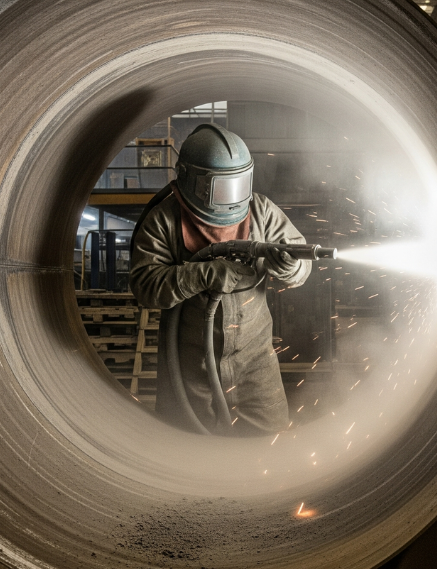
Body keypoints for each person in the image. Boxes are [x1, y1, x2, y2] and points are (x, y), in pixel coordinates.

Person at [129, 123, 310, 436]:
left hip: (256, 365)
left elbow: (300, 271)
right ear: (189, 177)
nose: (233, 197)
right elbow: (145, 286)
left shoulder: (262, 211)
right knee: (193, 455)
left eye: (239, 184)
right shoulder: (164, 220)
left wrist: (288, 265)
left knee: (269, 449)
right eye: (222, 187)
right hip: (189, 371)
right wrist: (201, 274)